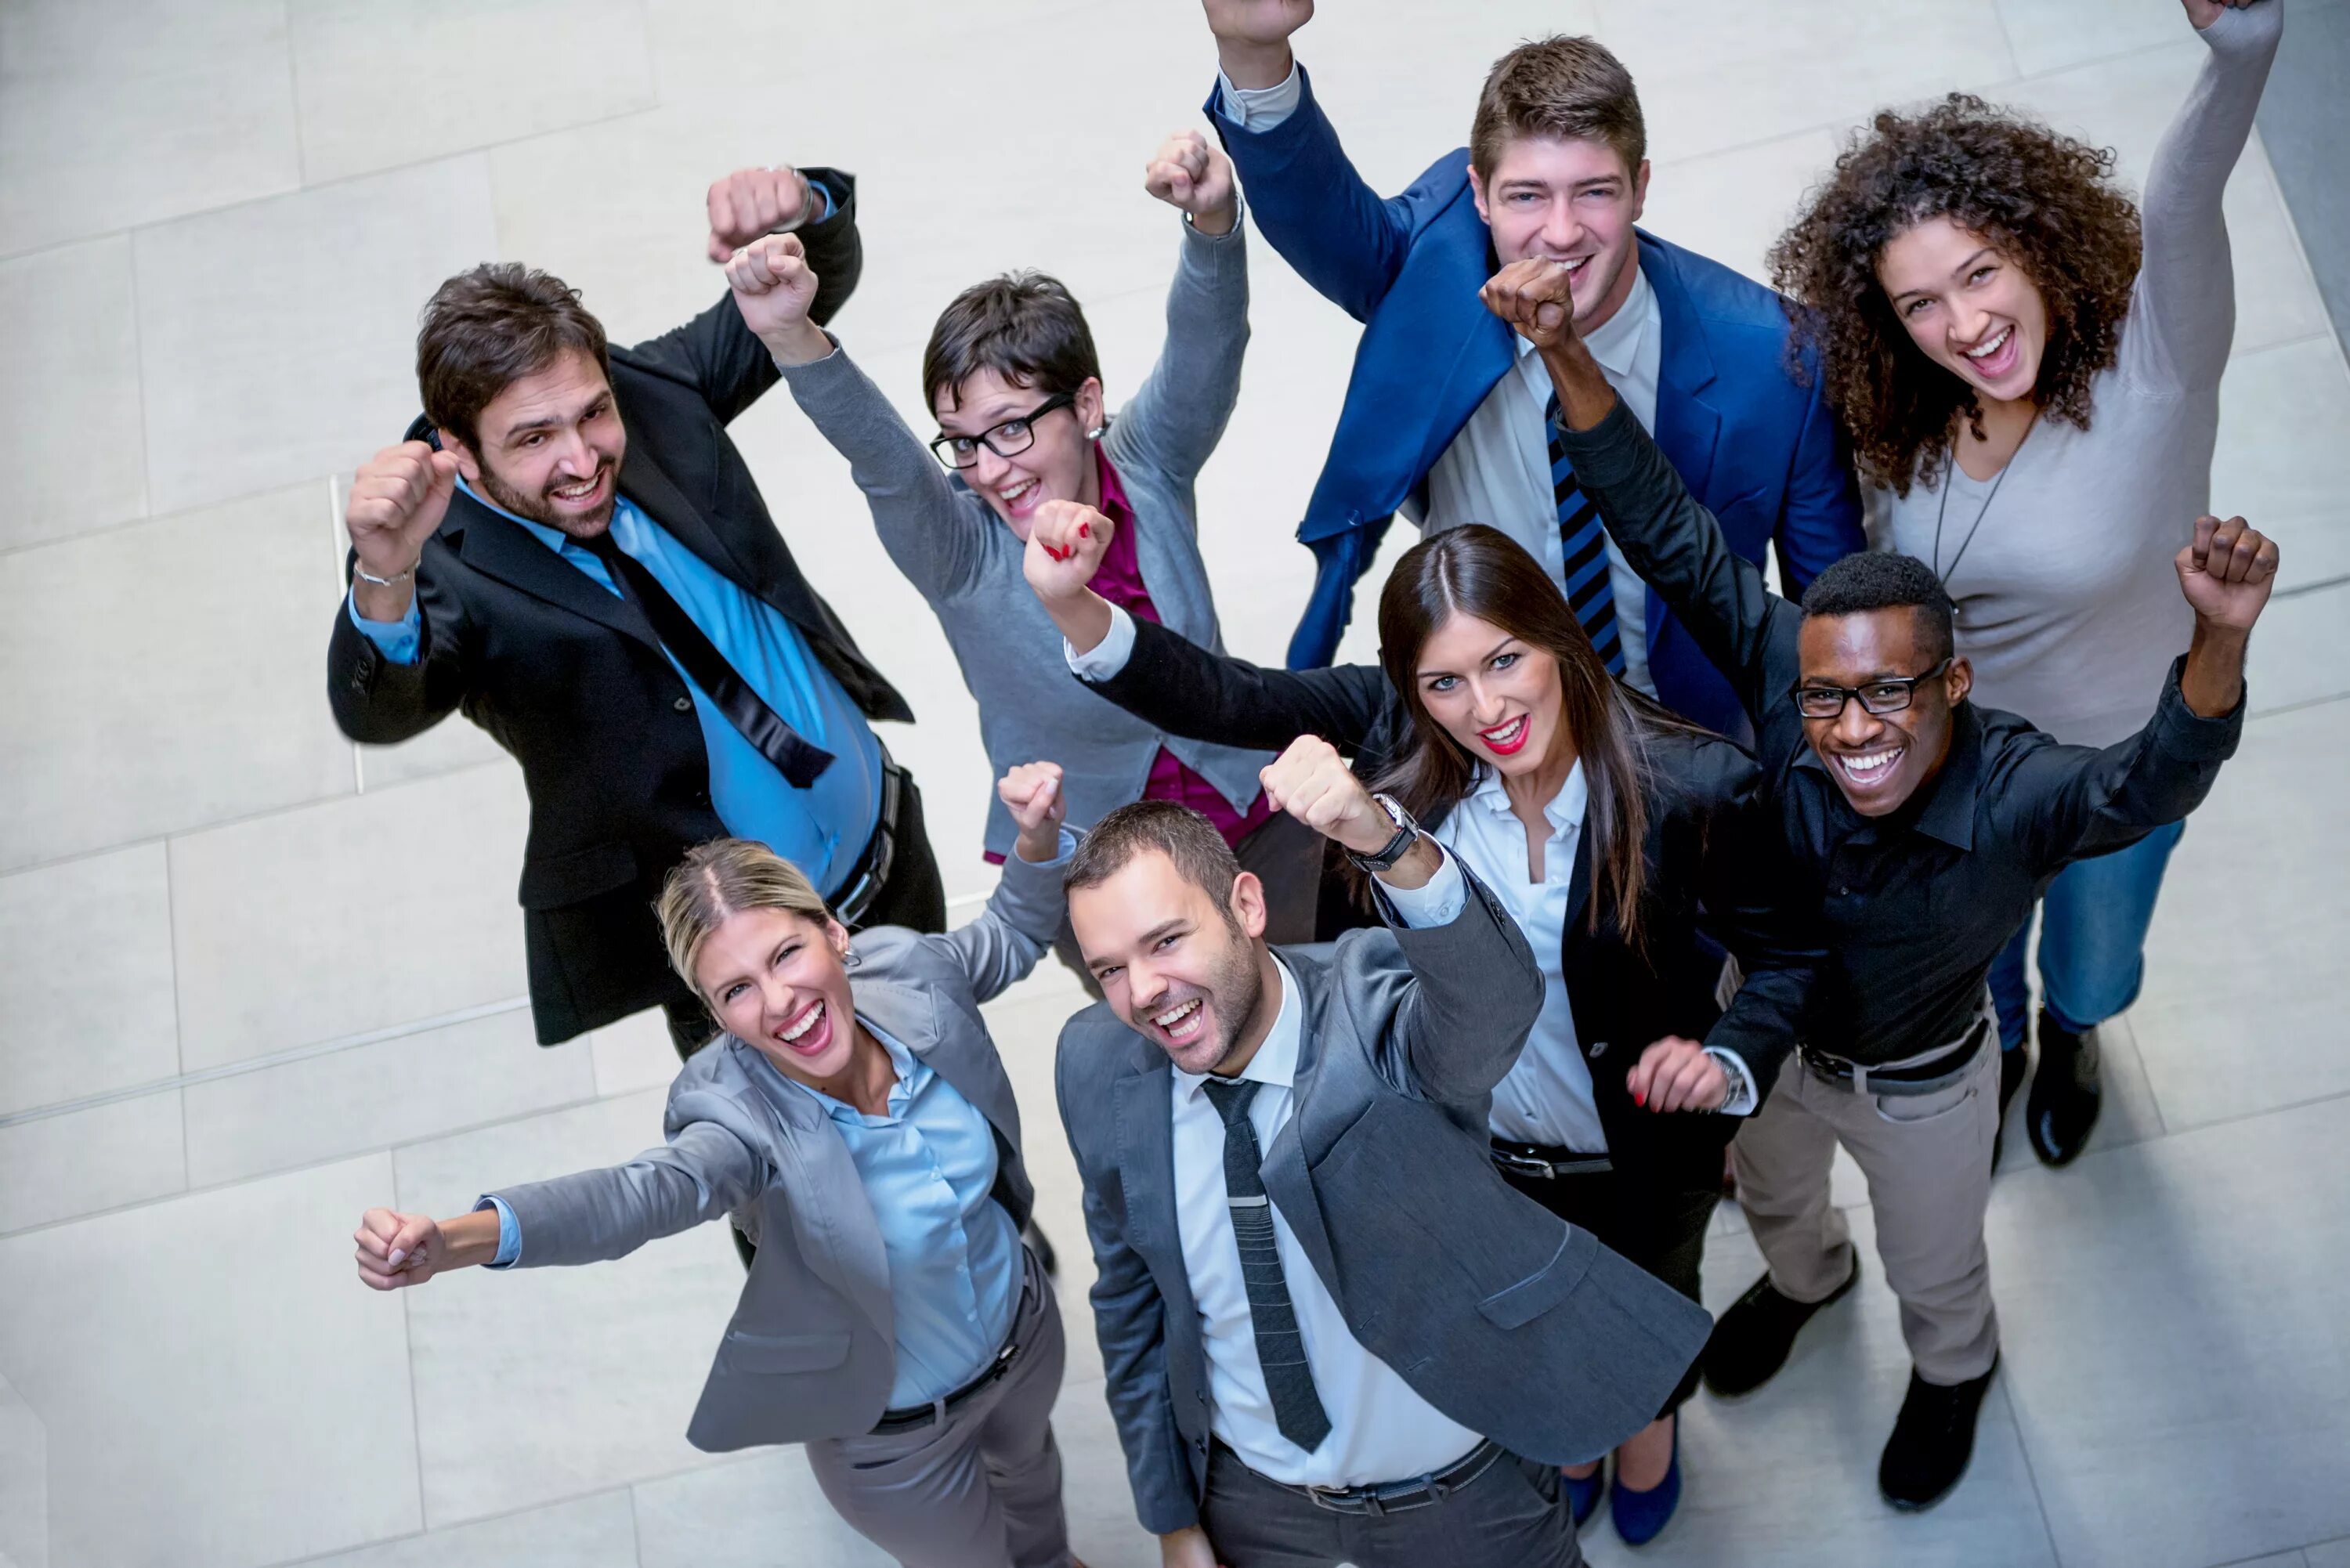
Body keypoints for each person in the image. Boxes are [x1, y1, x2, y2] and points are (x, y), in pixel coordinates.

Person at [1495, 255, 2277, 1510]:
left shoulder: (2014, 784)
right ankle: (1809, 1283)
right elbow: (1661, 521)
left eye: (1889, 692)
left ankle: (1954, 1365)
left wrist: (2220, 638)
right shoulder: (1777, 675)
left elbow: (2147, 785)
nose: (1852, 727)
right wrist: (1563, 351)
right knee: (1782, 1202)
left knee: (1938, 1256)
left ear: (1953, 687)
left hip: (1923, 1083)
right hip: (1770, 1043)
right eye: (1825, 696)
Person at [1022, 506, 1818, 1540]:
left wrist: (1727, 1055)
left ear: (1558, 638)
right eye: (1444, 682)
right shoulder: (1400, 743)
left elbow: (1794, 955)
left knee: (1644, 1301)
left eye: (1506, 660)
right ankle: (1566, 1440)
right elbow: (1227, 692)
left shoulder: (1694, 782)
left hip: (1638, 1141)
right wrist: (1074, 606)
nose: (1485, 707)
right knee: (1523, 1315)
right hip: (1469, 1141)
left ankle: (1645, 1433)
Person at [1766, 0, 2282, 1165]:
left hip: (2110, 761)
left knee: (2093, 956)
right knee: (1973, 949)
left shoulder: (2156, 364)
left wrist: (2243, 48)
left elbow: (2184, 197)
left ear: (2039, 245)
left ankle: (2075, 1037)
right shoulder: (1903, 415)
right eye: (1921, 304)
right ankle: (1997, 1039)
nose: (1967, 324)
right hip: (1955, 771)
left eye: (1981, 272)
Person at [352, 764, 1082, 1568]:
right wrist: (458, 1239)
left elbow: (1011, 933)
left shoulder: (908, 969)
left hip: (1024, 1337)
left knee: (1036, 1488)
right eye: (737, 989)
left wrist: (1036, 838)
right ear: (716, 1015)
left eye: (786, 954)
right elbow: (634, 1198)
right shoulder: (735, 1115)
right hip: (895, 1440)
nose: (777, 1002)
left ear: (835, 933)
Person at [326, 164, 941, 1064]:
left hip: (890, 856)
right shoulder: (440, 564)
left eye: (590, 414)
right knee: (810, 1200)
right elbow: (374, 709)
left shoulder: (651, 389)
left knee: (964, 1113)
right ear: (456, 447)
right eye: (533, 440)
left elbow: (814, 281)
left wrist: (804, 205)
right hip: (749, 984)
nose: (582, 459)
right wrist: (382, 577)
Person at [1057, 771, 1714, 1566]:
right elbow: (1131, 1301)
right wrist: (1172, 1518)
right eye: (1110, 969)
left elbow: (1492, 1003)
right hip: (1256, 1503)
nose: (1145, 992)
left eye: (1166, 941)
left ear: (1247, 907)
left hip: (1465, 1492)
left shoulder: (1371, 1002)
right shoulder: (1095, 1062)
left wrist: (1386, 840)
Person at [723, 129, 1319, 988]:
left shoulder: (1146, 464)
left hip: (1251, 813)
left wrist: (1212, 223)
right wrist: (791, 335)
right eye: (963, 443)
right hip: (1106, 873)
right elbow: (883, 459)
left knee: (1337, 1003)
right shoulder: (959, 548)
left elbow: (1206, 351)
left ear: (1085, 403)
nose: (991, 469)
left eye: (1011, 428)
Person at [1193, 0, 1864, 741]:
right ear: (1479, 194)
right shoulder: (1433, 270)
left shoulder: (1778, 359)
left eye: (1595, 192)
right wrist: (1253, 51)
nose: (1562, 231)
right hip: (1481, 729)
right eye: (1527, 195)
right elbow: (1320, 213)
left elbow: (1832, 619)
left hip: (1689, 737)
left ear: (1641, 186)